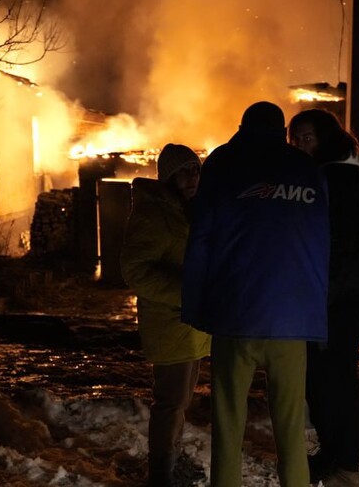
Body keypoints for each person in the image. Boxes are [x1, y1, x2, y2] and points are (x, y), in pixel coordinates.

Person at [181, 101, 329, 487]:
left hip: (235, 316)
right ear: (282, 131)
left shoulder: (223, 163)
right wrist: (316, 313)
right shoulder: (306, 170)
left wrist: (195, 308)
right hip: (292, 321)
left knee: (228, 424)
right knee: (291, 428)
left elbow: (201, 239)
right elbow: (321, 243)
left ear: (242, 127)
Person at [289, 109, 359, 487]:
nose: (299, 147)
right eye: (294, 141)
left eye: (306, 139)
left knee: (335, 380)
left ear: (325, 138)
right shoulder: (342, 174)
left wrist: (322, 299)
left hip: (335, 298)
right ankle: (332, 453)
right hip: (341, 294)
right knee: (324, 379)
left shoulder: (337, 178)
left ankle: (345, 465)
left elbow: (338, 247)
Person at [121, 143, 211, 487]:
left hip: (189, 323)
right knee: (170, 403)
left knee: (181, 400)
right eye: (183, 171)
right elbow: (136, 269)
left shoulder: (186, 210)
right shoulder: (154, 212)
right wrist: (187, 293)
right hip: (170, 322)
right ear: (168, 177)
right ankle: (161, 474)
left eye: (195, 169)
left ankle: (171, 461)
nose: (191, 177)